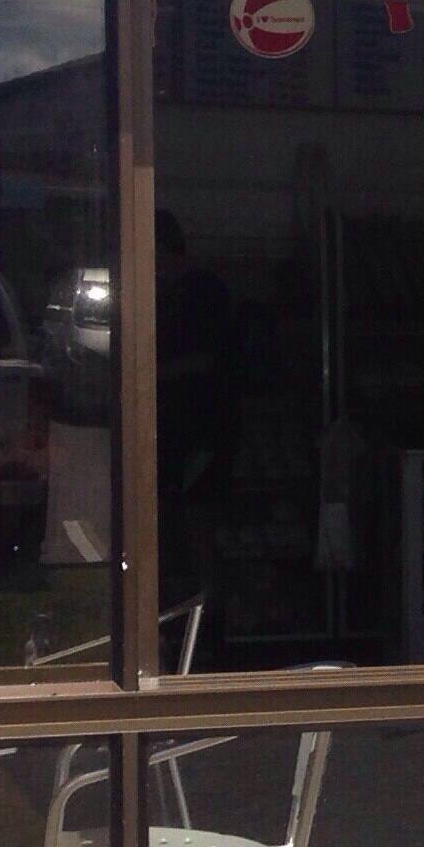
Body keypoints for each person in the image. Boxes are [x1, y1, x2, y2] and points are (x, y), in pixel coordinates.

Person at [152, 209, 241, 611]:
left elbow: (210, 359)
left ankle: (210, 623)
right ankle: (186, 620)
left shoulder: (203, 292)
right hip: (176, 433)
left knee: (198, 527)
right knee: (175, 530)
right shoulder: (168, 294)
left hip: (204, 432)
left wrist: (153, 374)